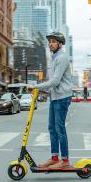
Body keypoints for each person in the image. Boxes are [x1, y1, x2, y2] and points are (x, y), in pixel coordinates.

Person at [27, 32, 73, 168]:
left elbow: (55, 81)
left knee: (60, 128)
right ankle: (54, 157)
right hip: (55, 98)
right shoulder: (53, 59)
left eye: (53, 41)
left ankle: (64, 160)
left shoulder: (62, 58)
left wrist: (36, 85)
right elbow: (53, 84)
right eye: (49, 41)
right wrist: (40, 90)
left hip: (62, 98)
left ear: (60, 43)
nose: (50, 44)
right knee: (52, 128)